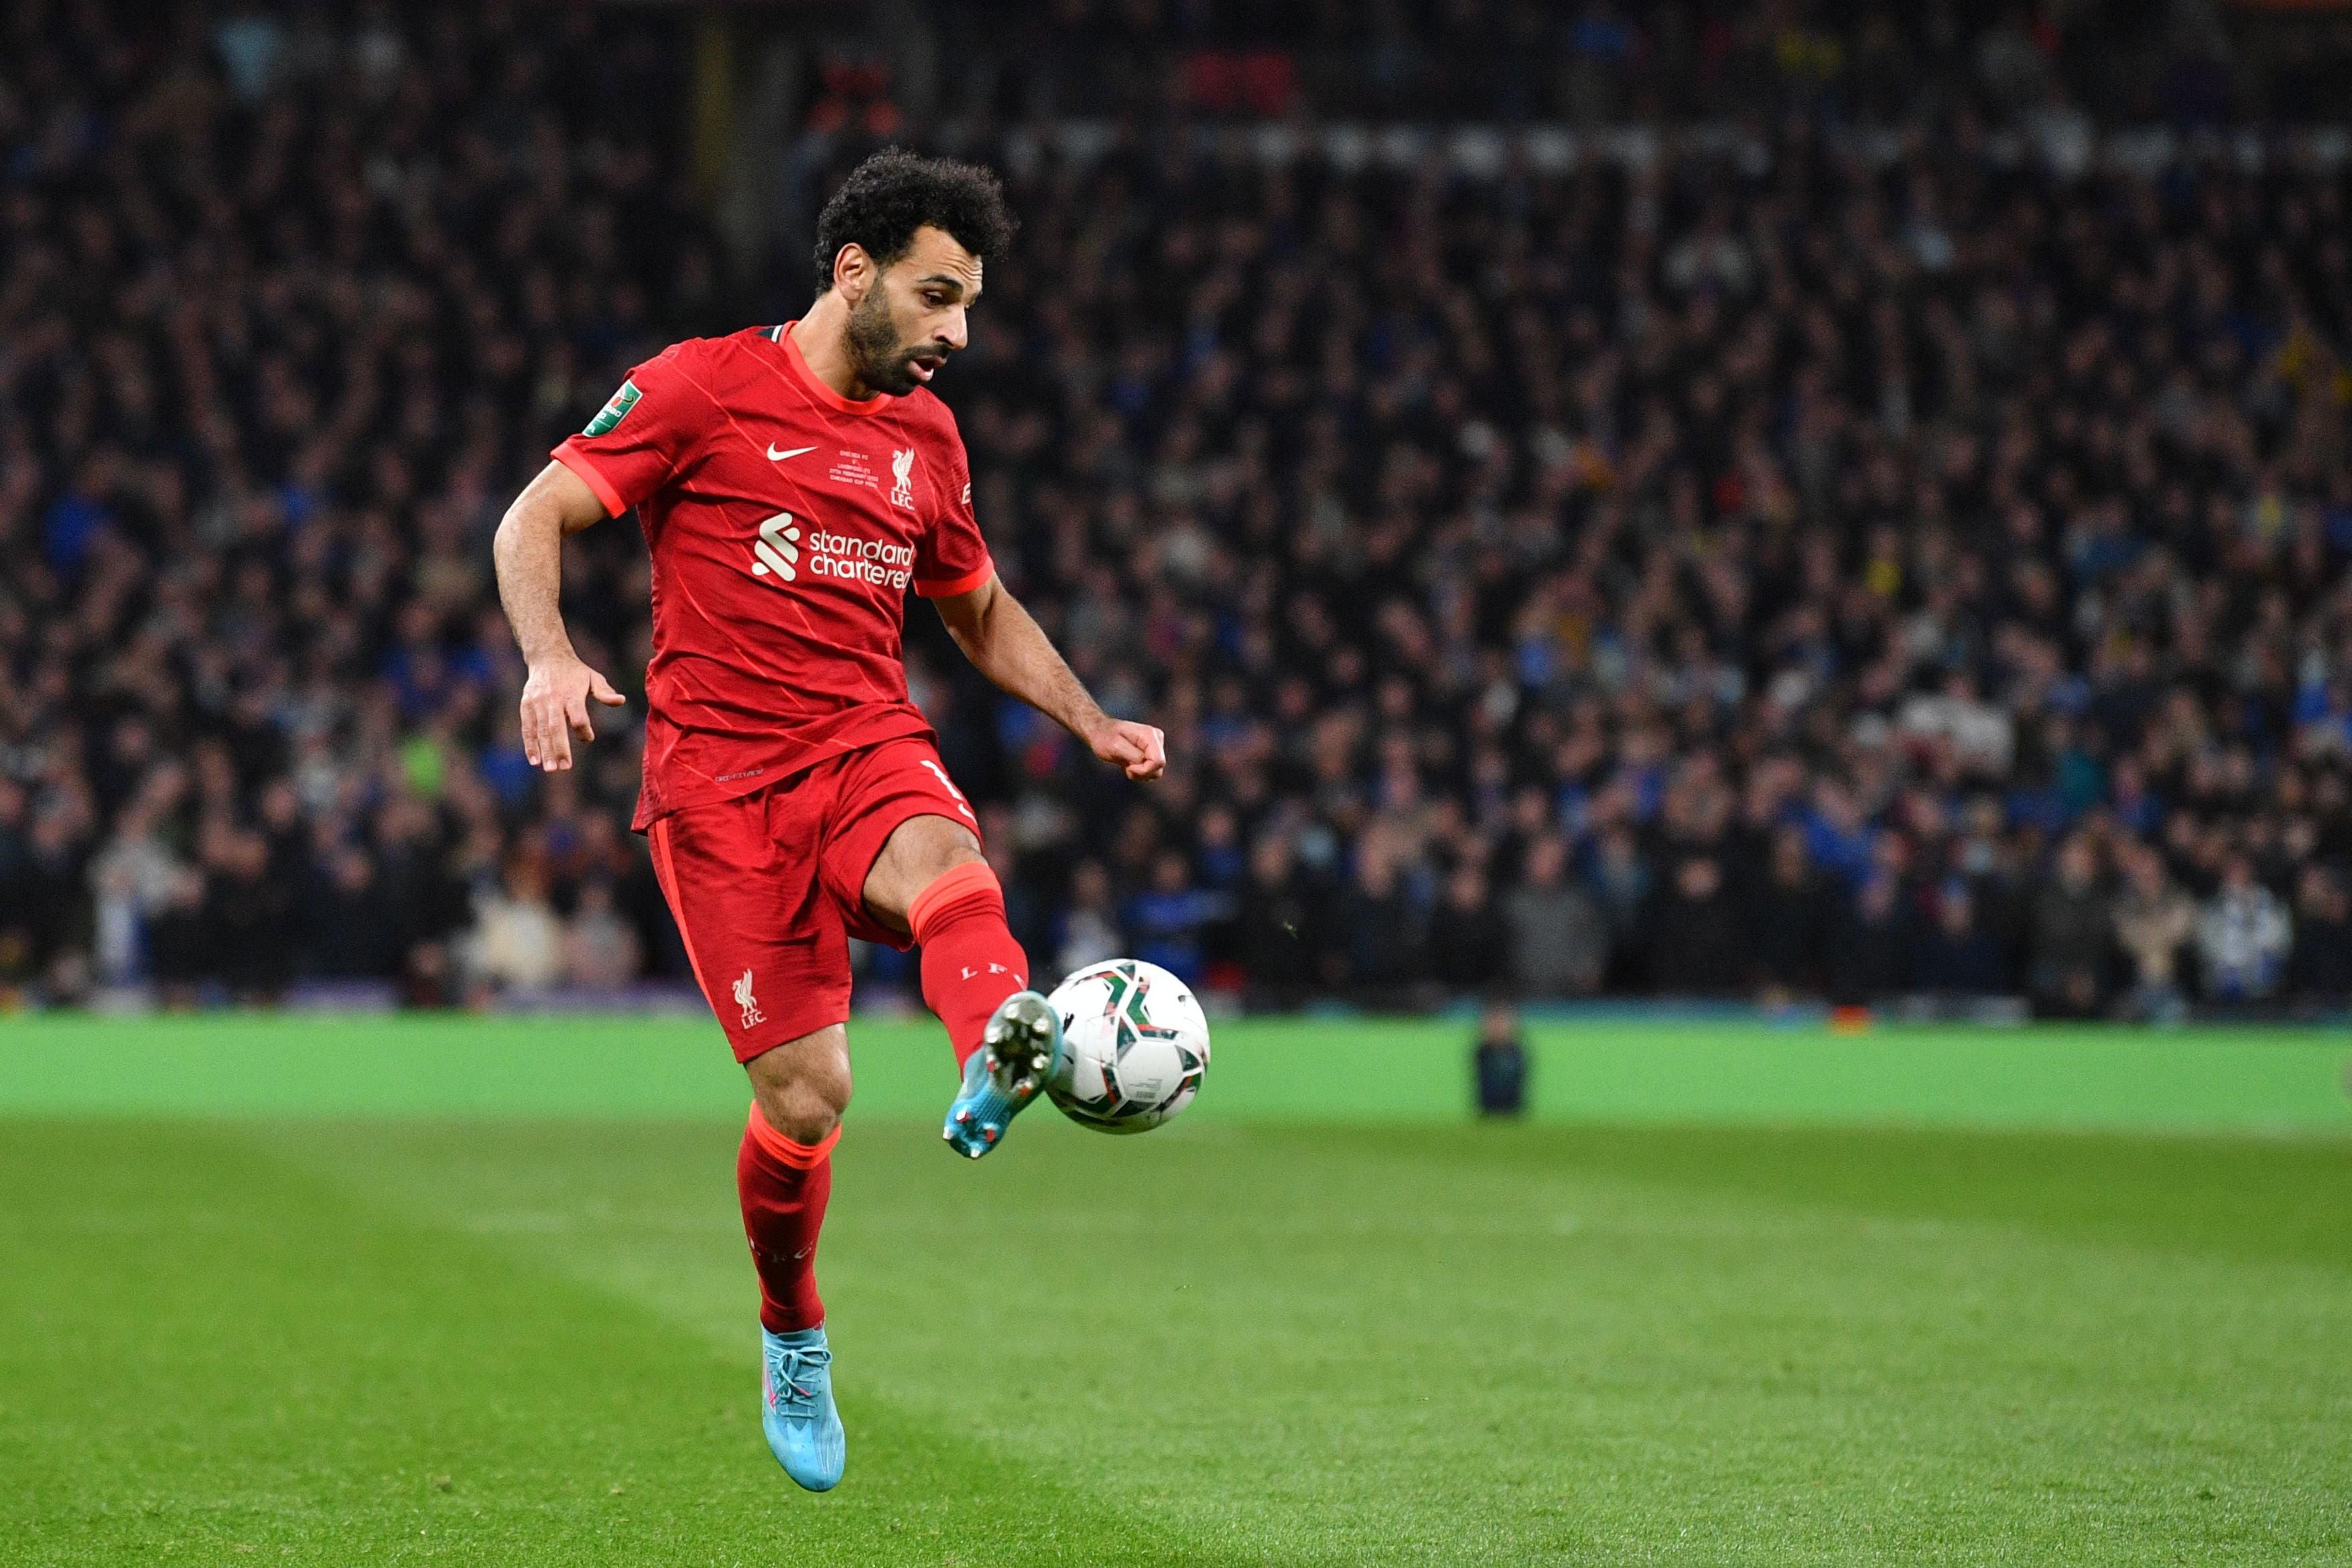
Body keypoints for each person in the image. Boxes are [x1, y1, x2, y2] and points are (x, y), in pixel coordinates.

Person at [491, 149, 1165, 1493]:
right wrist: (551, 658)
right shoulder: (699, 389)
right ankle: (793, 1332)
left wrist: (1087, 716)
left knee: (949, 863)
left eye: (968, 306)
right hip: (720, 790)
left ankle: (997, 1049)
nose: (957, 334)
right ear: (855, 271)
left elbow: (975, 607)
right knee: (809, 1102)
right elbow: (532, 518)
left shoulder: (928, 440)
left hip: (864, 745)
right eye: (936, 296)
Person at [1471, 1000, 1529, 1118]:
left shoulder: (1517, 1053)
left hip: (1512, 1110)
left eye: (1503, 1023)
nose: (1499, 1027)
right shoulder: (1483, 1053)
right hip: (1488, 1110)